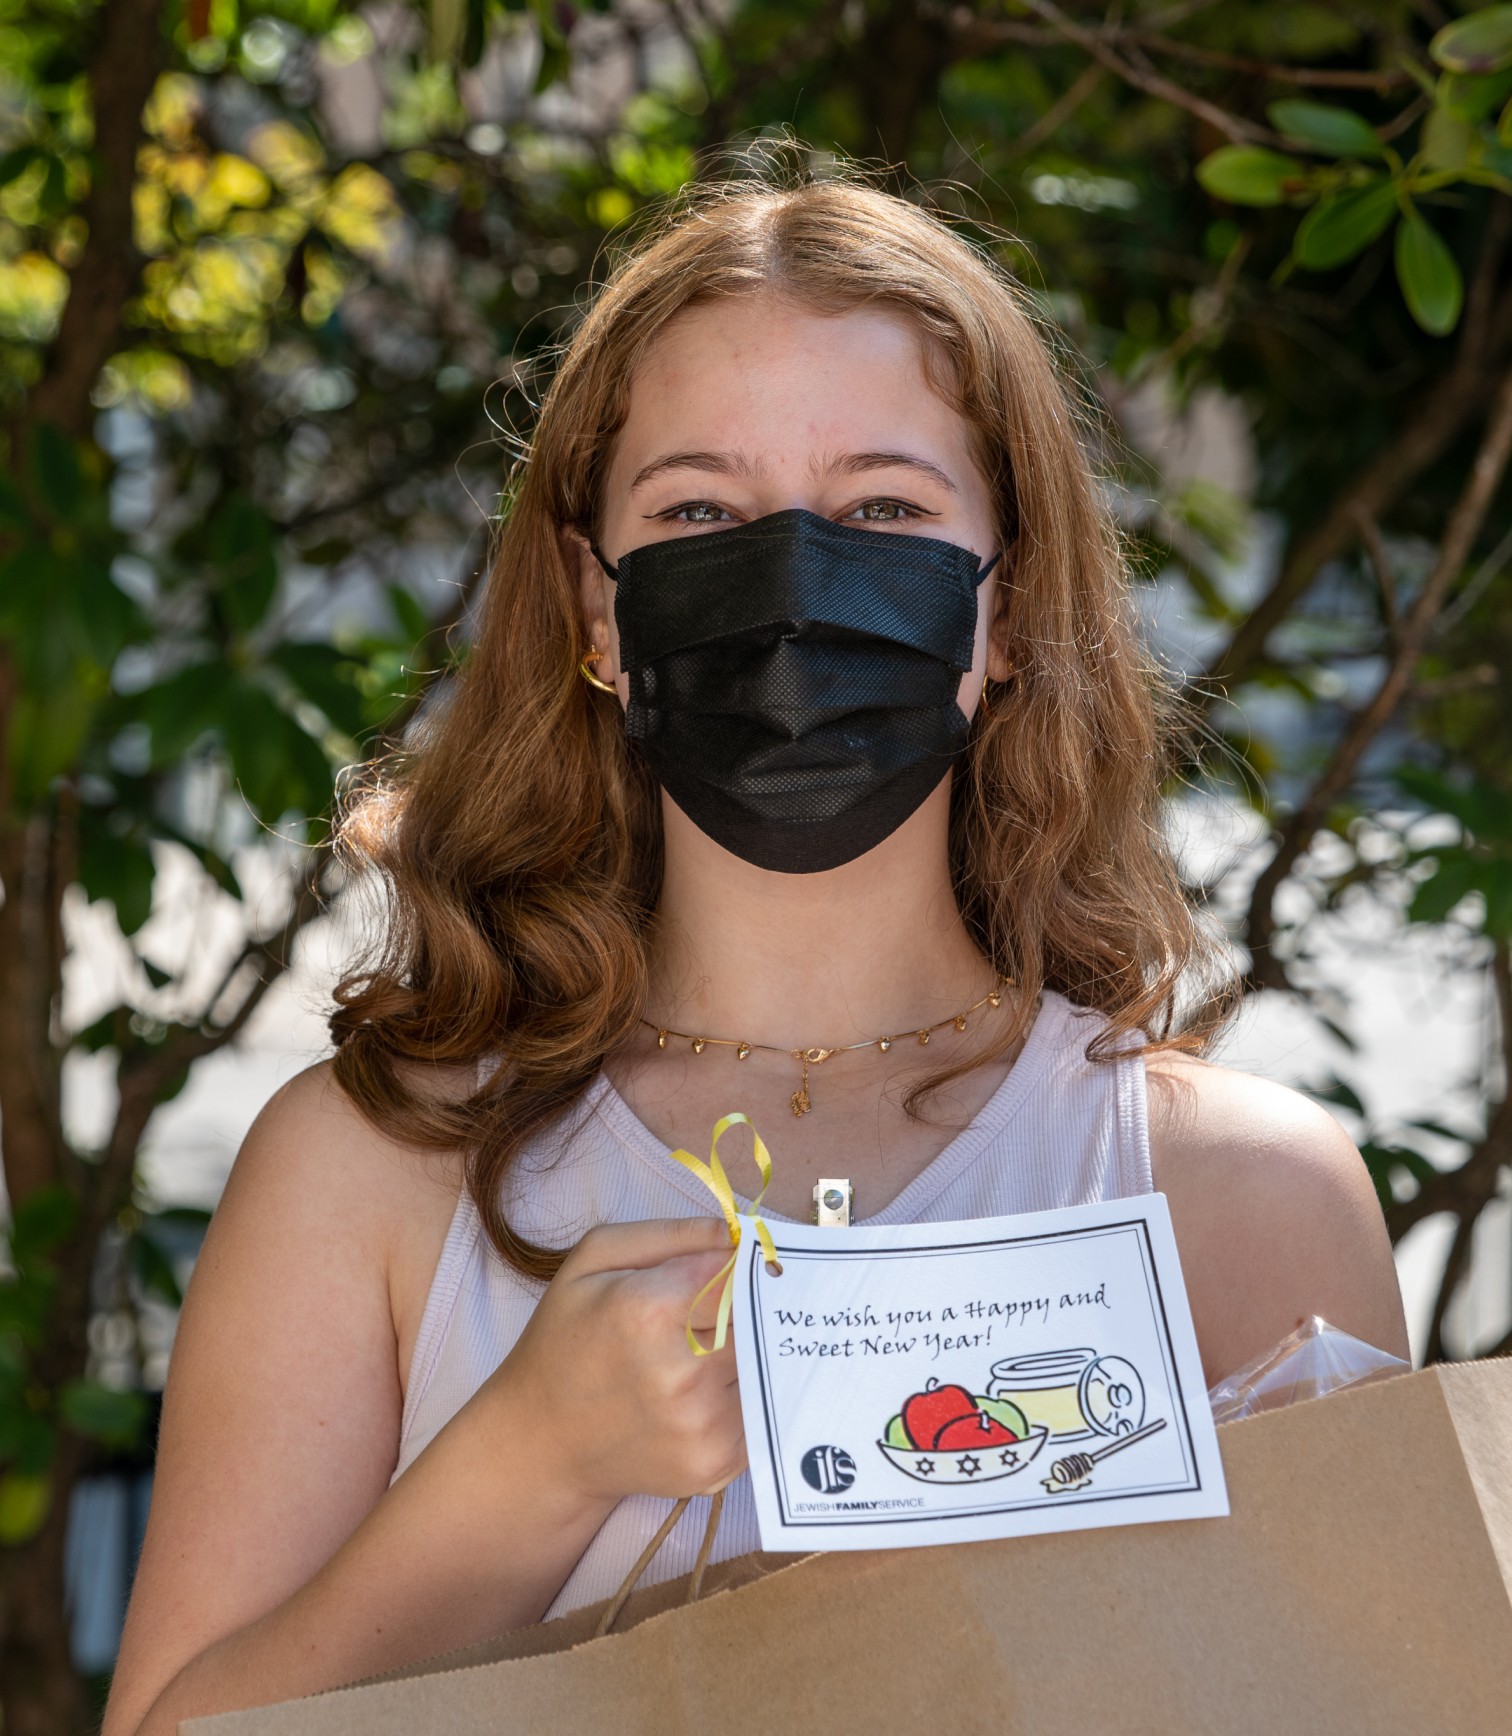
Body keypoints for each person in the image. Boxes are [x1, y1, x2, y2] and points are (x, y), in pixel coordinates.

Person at [104, 160, 1408, 1734]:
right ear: (597, 604)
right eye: (701, 512)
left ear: (1004, 607)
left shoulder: (1243, 1203)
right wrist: (530, 1468)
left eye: (882, 510)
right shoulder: (370, 1172)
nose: (793, 579)